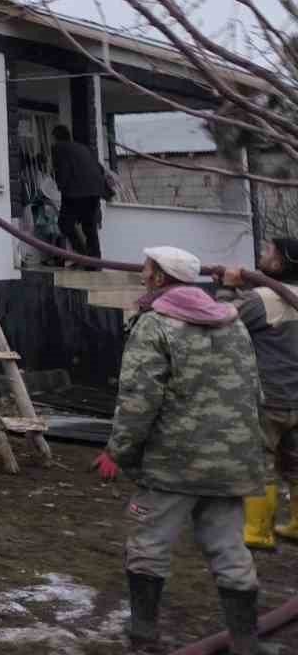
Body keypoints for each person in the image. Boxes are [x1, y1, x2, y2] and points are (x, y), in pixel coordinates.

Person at [93, 246, 269, 653]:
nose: (141, 274)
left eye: (147, 269)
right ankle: (246, 643)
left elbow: (138, 399)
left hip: (174, 464)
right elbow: (254, 391)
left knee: (149, 546)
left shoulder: (155, 326)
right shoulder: (233, 323)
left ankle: (144, 637)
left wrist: (117, 451)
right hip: (232, 462)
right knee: (230, 550)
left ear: (159, 278)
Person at [222, 236, 298, 549]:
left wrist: (228, 286)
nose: (263, 255)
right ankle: (295, 524)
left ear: (280, 263)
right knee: (295, 465)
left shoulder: (263, 299)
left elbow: (220, 320)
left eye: (269, 252)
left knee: (260, 464)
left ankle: (257, 531)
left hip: (270, 399)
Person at [51, 123, 108, 260]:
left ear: (55, 138)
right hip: (95, 190)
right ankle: (95, 260)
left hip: (76, 191)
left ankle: (82, 256)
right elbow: (99, 169)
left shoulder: (59, 148)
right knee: (89, 226)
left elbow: (63, 169)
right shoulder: (82, 148)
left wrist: (60, 186)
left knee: (64, 224)